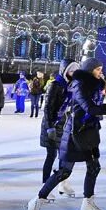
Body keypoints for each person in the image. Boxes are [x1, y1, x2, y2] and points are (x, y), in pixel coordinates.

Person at [27, 58, 106, 210]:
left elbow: (97, 106)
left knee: (94, 167)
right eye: (97, 69)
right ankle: (37, 200)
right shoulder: (80, 86)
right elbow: (90, 108)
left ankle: (88, 202)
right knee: (64, 171)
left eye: (101, 69)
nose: (100, 72)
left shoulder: (95, 85)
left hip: (89, 131)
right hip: (75, 133)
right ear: (89, 71)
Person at [39, 59, 79, 198]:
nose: (73, 73)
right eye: (71, 70)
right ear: (64, 70)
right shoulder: (56, 85)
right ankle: (45, 185)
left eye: (75, 71)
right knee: (51, 155)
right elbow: (48, 107)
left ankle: (63, 183)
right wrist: (50, 127)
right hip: (53, 125)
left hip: (66, 125)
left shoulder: (73, 86)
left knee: (65, 156)